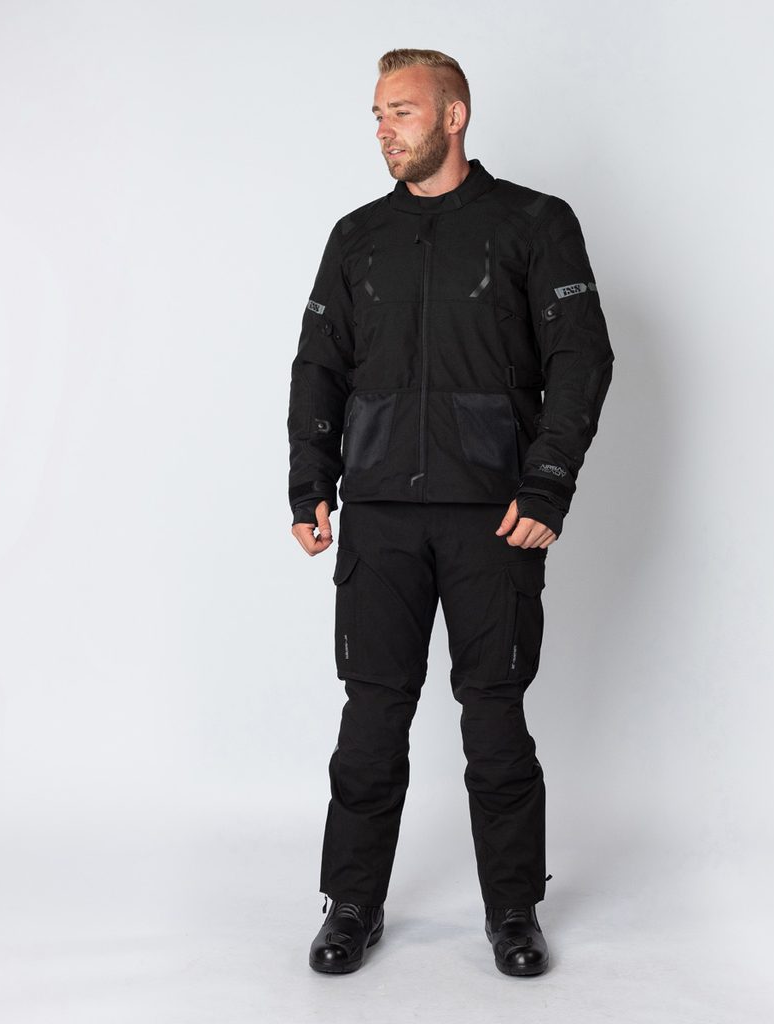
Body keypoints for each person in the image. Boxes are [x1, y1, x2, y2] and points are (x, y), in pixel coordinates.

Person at [287, 47, 614, 977]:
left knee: (494, 721)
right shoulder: (358, 237)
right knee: (371, 720)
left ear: (454, 115)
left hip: (493, 517)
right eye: (378, 114)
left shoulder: (534, 223)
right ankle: (352, 904)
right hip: (380, 516)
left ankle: (513, 910)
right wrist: (310, 481)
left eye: (402, 111)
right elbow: (319, 364)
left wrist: (547, 484)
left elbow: (582, 358)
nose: (384, 130)